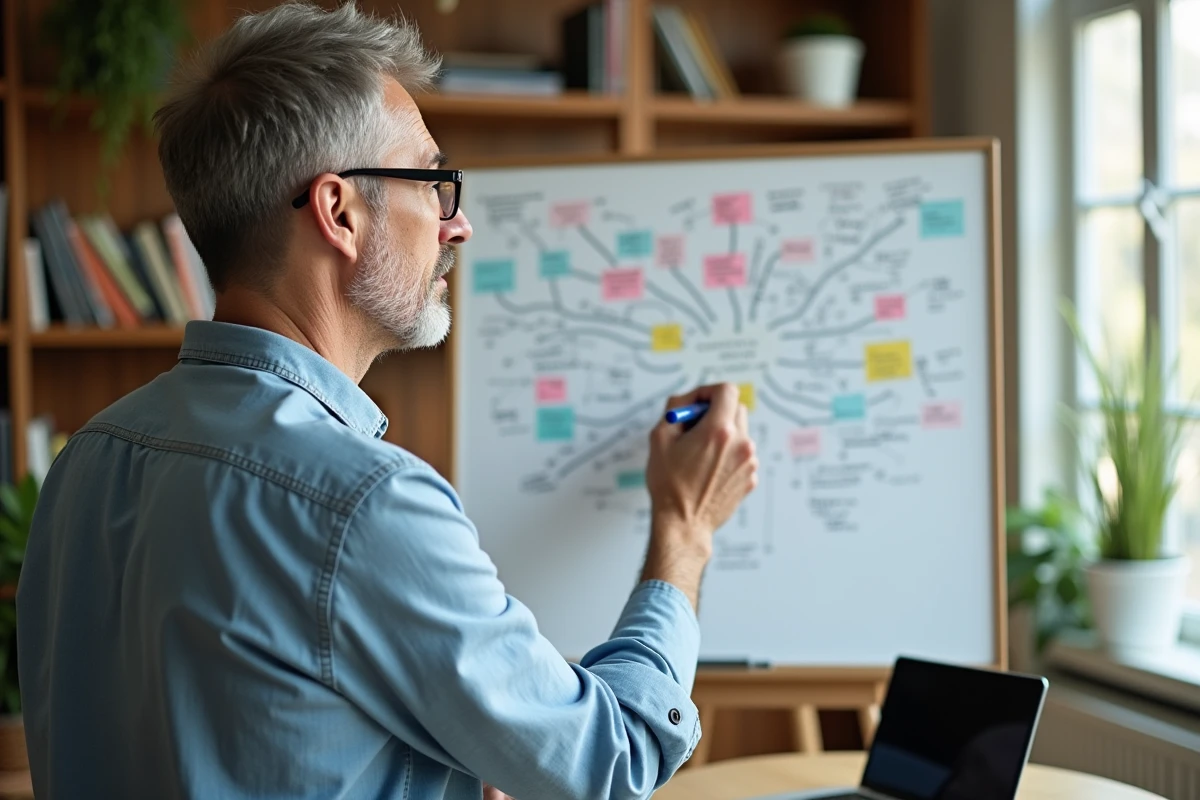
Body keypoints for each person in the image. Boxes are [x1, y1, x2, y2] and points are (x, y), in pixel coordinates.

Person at [15, 3, 758, 799]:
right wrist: (684, 529)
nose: (459, 224)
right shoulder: (360, 503)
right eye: (435, 183)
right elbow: (608, 763)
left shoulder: (86, 461)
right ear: (339, 212)